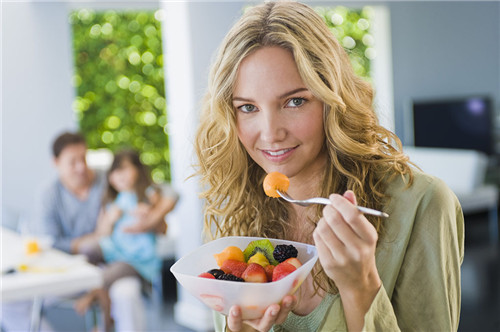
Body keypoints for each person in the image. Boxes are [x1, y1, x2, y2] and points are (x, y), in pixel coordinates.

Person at [193, 2, 464, 332]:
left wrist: (360, 288)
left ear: (332, 100)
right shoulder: (233, 212)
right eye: (248, 107)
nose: (270, 133)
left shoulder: (422, 203)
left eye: (295, 101)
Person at [1, 132, 177, 332]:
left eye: (83, 158)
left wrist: (150, 220)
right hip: (68, 271)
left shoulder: (108, 178)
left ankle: (100, 304)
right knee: (8, 303)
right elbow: (52, 242)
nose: (81, 167)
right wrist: (95, 238)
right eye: (72, 162)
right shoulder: (48, 195)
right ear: (56, 162)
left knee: (127, 294)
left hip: (115, 264)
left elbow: (169, 192)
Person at [74, 149, 164, 330]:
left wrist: (150, 217)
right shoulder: (112, 202)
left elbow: (163, 229)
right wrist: (110, 218)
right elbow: (102, 233)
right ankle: (100, 308)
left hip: (138, 261)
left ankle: (91, 296)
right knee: (88, 249)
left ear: (138, 170)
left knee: (109, 274)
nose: (119, 175)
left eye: (125, 169)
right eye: (115, 171)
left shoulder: (149, 195)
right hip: (116, 255)